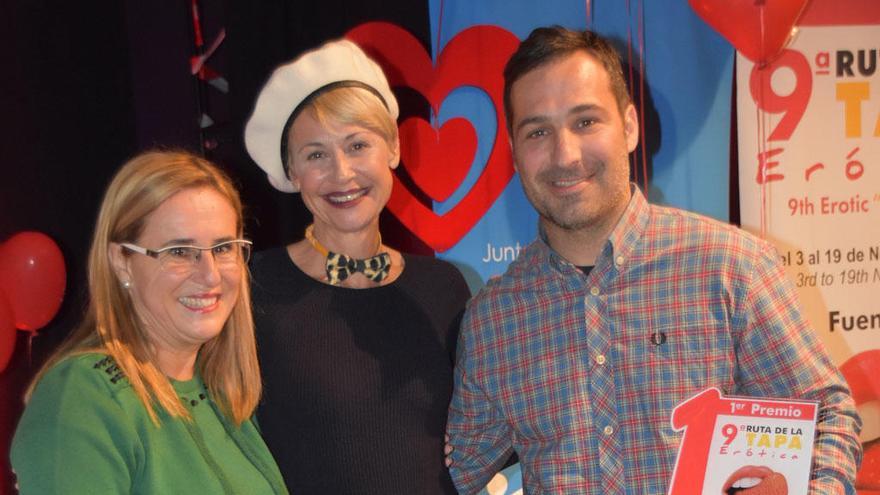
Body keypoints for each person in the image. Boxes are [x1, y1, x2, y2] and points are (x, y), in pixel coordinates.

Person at [445, 26, 862, 494]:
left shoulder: (731, 267)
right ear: (514, 153)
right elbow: (448, 470)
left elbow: (826, 417)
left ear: (628, 126)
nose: (565, 154)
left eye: (586, 121)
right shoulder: (494, 320)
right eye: (538, 131)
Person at [244, 39, 470, 493]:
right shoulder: (254, 288)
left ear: (392, 149)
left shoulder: (444, 287)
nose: (342, 173)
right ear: (291, 171)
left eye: (357, 145)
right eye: (316, 155)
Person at [11, 150, 288, 494]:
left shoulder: (220, 391)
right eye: (178, 251)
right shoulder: (84, 395)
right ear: (122, 262)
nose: (210, 275)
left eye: (222, 248)